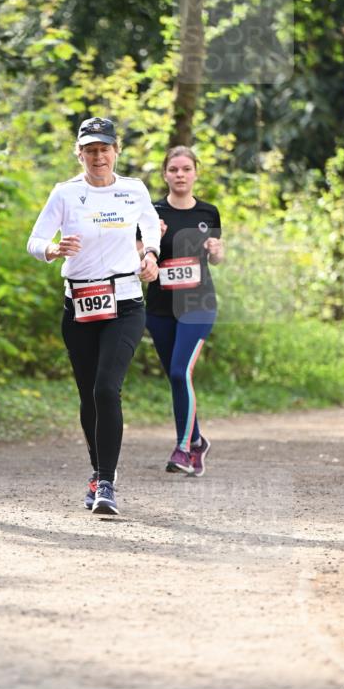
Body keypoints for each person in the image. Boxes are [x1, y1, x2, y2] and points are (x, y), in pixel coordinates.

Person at [27, 117, 161, 516]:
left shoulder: (134, 189)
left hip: (125, 302)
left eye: (104, 149)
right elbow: (34, 240)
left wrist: (151, 255)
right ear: (79, 154)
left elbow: (150, 227)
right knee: (88, 394)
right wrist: (52, 250)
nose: (98, 156)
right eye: (90, 150)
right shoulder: (65, 193)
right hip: (80, 304)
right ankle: (98, 470)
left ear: (116, 151)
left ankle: (106, 482)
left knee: (106, 389)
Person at [143, 145, 224, 477]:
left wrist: (217, 250)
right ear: (165, 174)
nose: (180, 175)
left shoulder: (208, 213)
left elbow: (216, 258)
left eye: (186, 169)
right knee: (177, 377)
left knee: (180, 372)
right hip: (160, 307)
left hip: (198, 305)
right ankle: (197, 441)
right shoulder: (151, 212)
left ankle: (184, 449)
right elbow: (139, 256)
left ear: (195, 173)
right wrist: (151, 243)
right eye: (173, 169)